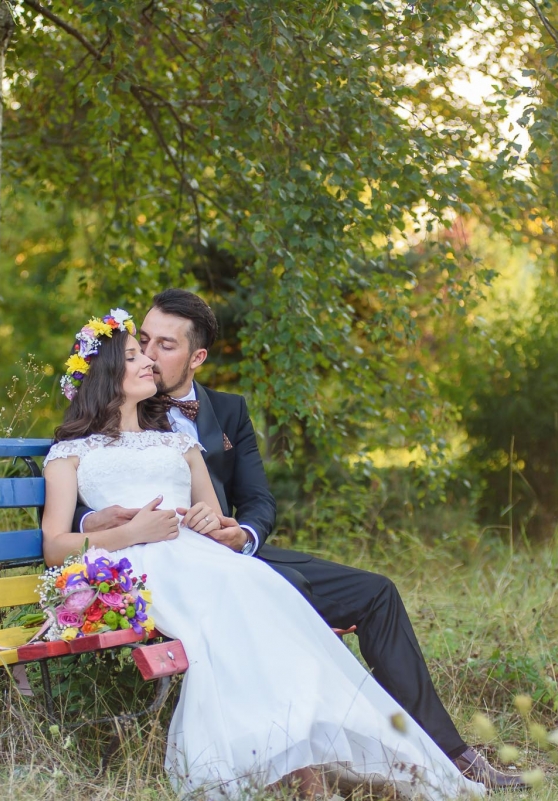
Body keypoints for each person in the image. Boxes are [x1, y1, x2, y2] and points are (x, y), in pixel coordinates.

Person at [71, 290, 526, 791]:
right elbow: (84, 491)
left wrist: (240, 534)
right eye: (144, 342)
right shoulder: (116, 403)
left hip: (236, 556)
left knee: (377, 592)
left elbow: (259, 501)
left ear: (197, 357)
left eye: (166, 345)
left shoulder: (228, 411)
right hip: (178, 568)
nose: (151, 356)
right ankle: (309, 759)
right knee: (276, 601)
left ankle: (448, 754)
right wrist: (98, 520)